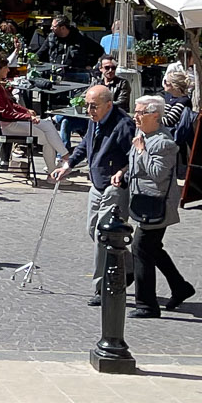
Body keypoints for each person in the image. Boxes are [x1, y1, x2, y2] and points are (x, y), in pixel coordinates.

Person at [52, 83, 136, 305]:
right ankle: (130, 265)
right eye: (87, 106)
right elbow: (85, 146)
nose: (90, 111)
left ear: (108, 105)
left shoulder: (123, 125)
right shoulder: (94, 121)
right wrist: (68, 165)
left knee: (103, 236)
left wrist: (122, 172)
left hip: (114, 186)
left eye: (94, 106)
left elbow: (135, 156)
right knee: (92, 230)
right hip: (96, 183)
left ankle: (102, 287)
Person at [119, 95, 193, 318]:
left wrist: (142, 151)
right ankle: (180, 287)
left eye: (140, 113)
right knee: (153, 248)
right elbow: (134, 164)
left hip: (158, 206)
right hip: (142, 203)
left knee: (141, 248)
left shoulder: (164, 143)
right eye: (135, 111)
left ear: (155, 116)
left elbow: (159, 174)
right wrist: (122, 173)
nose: (135, 117)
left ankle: (147, 305)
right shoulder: (141, 134)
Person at [0, 51, 66, 173]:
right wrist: (28, 117)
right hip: (7, 126)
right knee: (46, 137)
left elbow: (11, 105)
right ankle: (54, 169)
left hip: (8, 123)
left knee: (47, 124)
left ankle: (64, 157)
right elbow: (5, 113)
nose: (8, 71)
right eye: (6, 68)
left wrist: (26, 111)